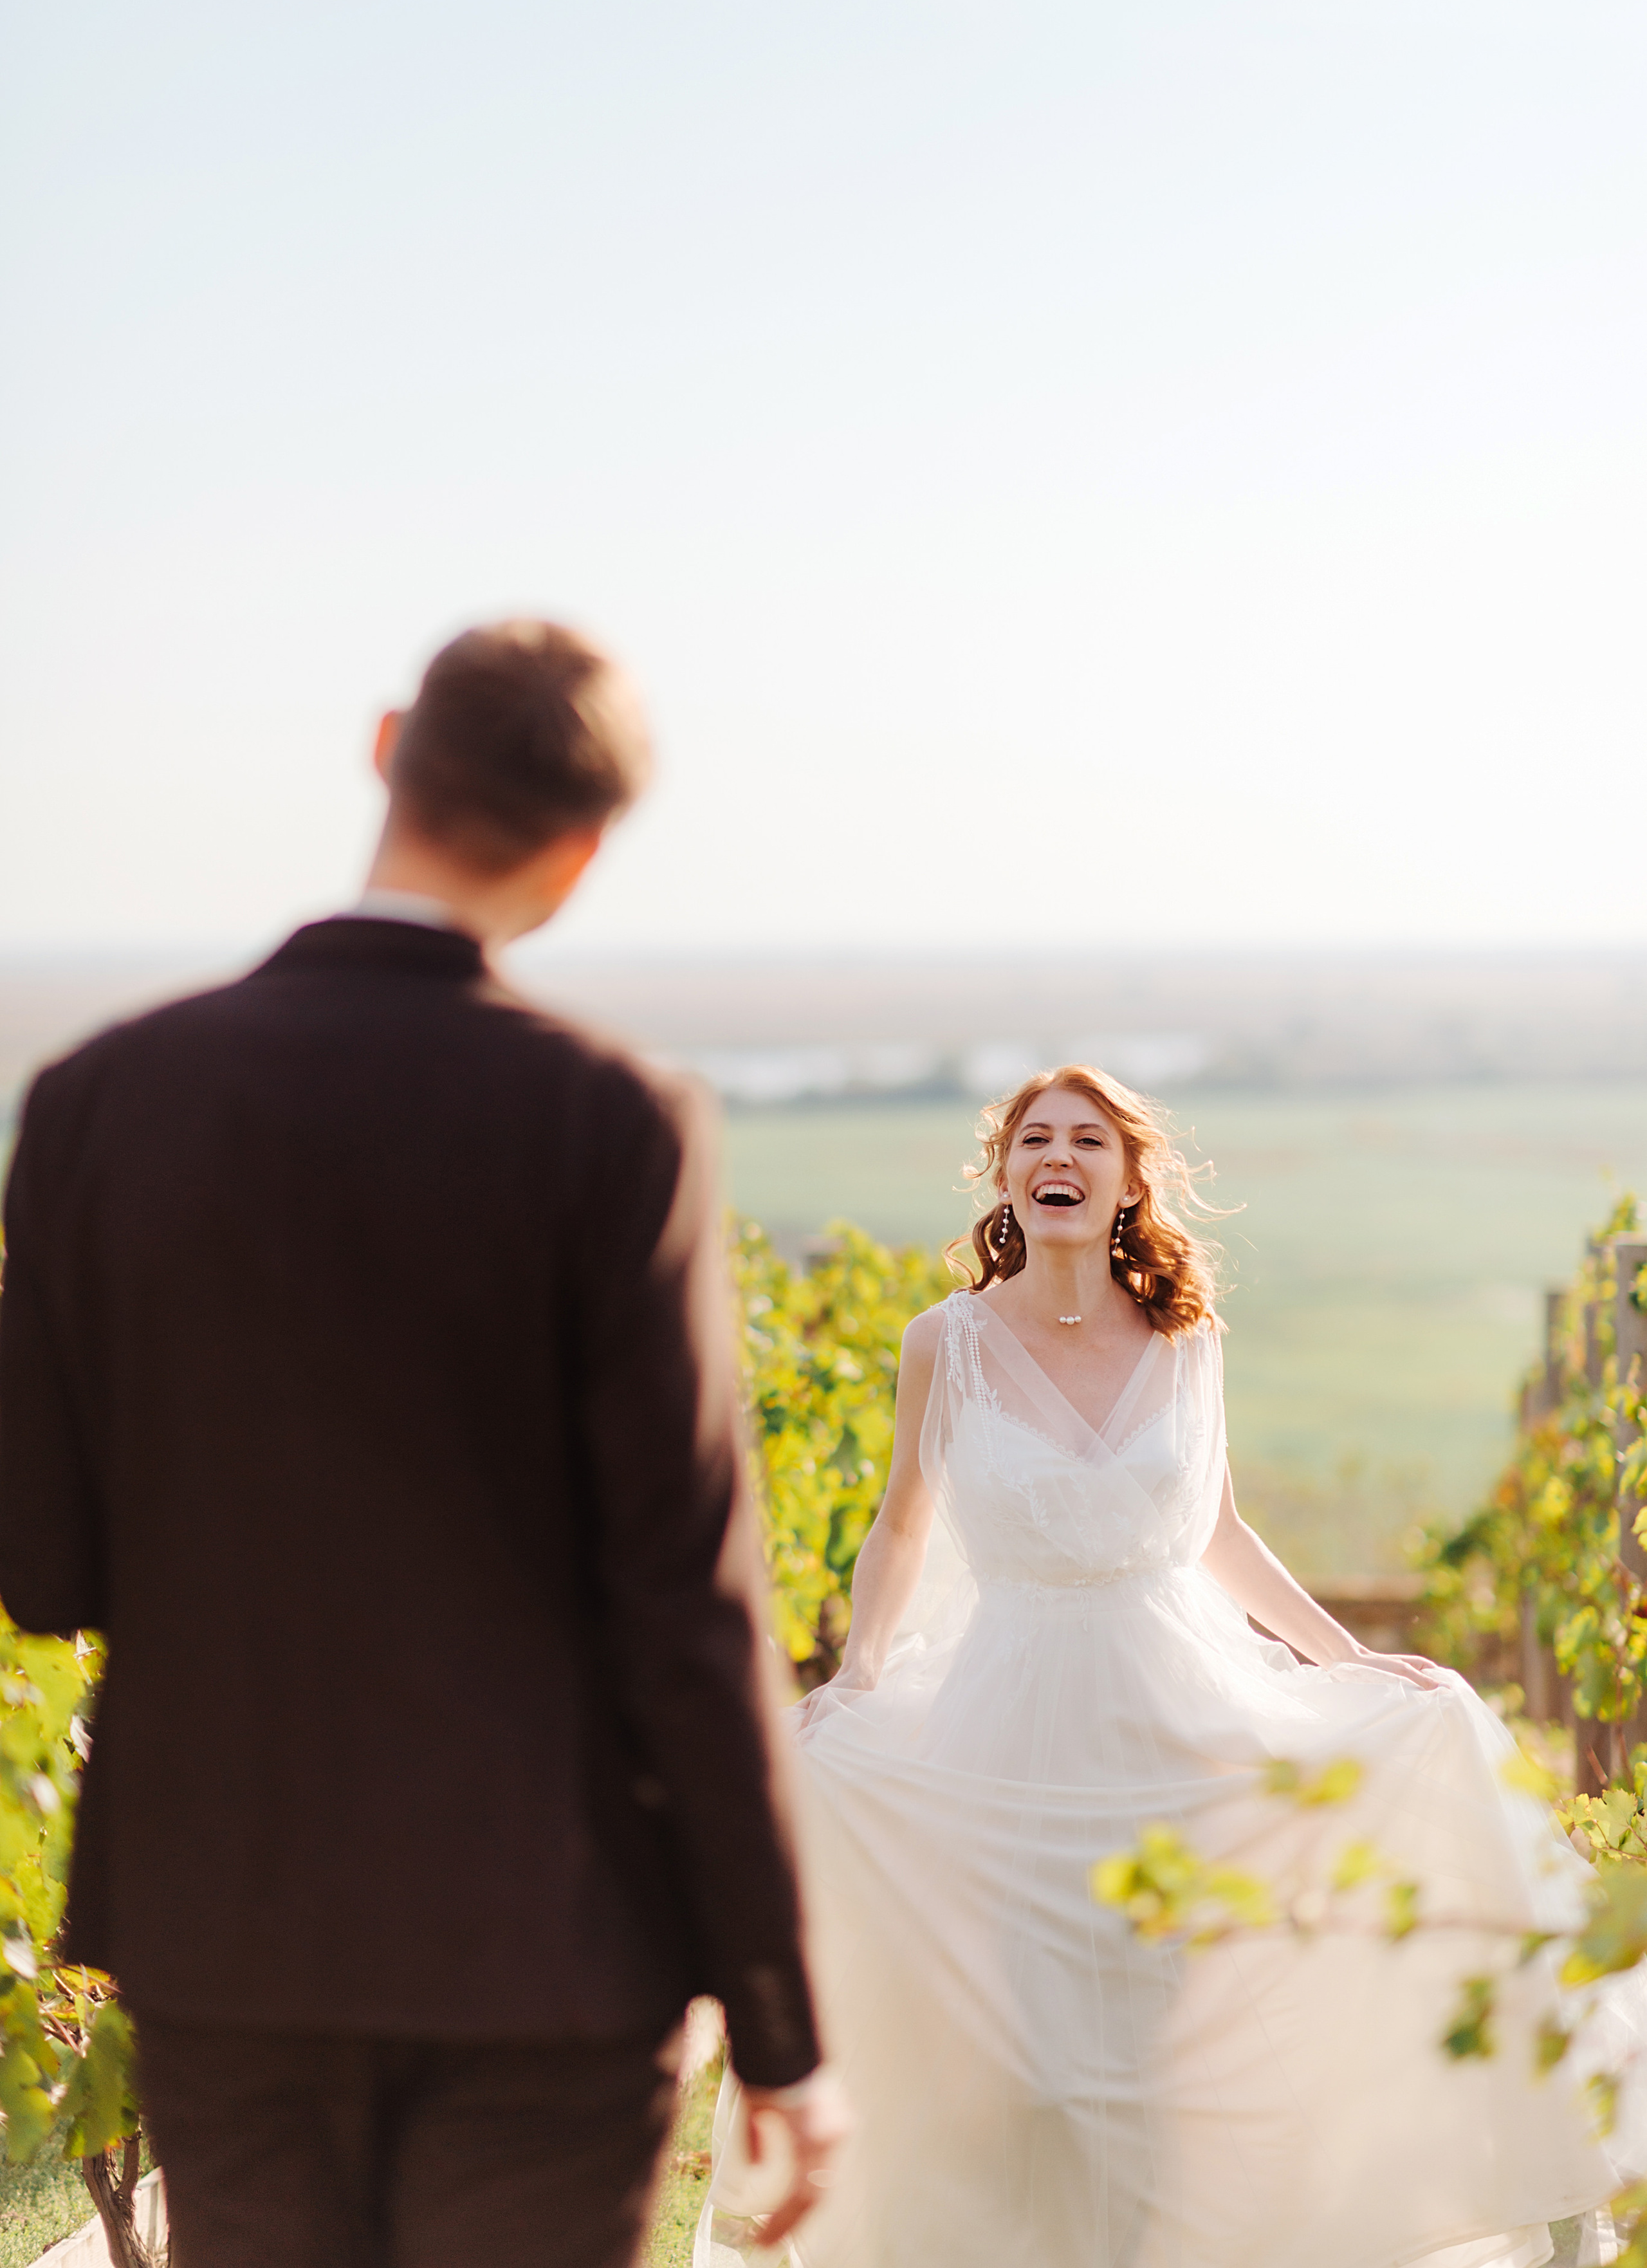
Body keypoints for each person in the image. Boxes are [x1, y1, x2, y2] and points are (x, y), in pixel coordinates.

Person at [0, 620, 845, 2268]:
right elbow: (687, 1605)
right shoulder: (614, 1119)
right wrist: (781, 2022)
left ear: (388, 745)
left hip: (225, 1926)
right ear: (583, 853)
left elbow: (42, 1564)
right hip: (550, 1938)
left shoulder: (96, 1098)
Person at [701, 1064, 1646, 2268]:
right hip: (1011, 1721)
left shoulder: (1187, 1338)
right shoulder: (944, 1343)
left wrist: (1351, 1657)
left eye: (1089, 1140)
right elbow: (900, 1527)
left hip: (1179, 1710)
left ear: (1130, 1182)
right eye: (1036, 1139)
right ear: (1005, 1176)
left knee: (1172, 2045)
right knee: (1033, 2059)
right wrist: (859, 1679)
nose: (1060, 1156)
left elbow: (1221, 1533)